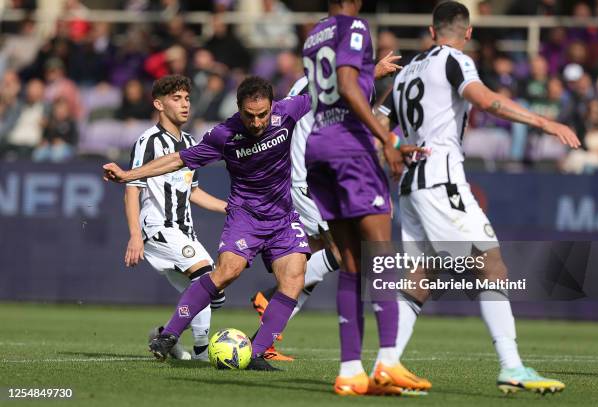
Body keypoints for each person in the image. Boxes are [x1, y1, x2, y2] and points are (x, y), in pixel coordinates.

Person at [377, 1, 579, 395]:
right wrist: (545, 121)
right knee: (492, 265)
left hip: (410, 186)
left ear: (432, 30)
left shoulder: (406, 73)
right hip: (442, 180)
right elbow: (487, 100)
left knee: (420, 277)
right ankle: (512, 365)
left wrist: (393, 147)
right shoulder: (455, 60)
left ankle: (386, 365)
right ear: (467, 33)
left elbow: (378, 122)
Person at [103, 76, 312, 371]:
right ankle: (170, 334)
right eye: (249, 115)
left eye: (262, 115)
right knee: (227, 271)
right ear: (238, 108)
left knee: (293, 280)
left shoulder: (288, 110)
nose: (256, 122)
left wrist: (370, 73)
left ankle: (256, 354)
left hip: (282, 216)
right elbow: (176, 160)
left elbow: (334, 90)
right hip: (246, 216)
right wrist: (128, 175)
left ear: (272, 107)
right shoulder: (224, 134)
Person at [302, 0, 430, 396]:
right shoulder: (354, 26)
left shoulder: (314, 33)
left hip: (318, 145)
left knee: (352, 265)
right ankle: (388, 362)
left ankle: (350, 372)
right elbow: (344, 84)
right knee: (382, 254)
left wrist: (368, 74)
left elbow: (331, 88)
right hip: (349, 149)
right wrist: (387, 139)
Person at [250, 51, 406, 362]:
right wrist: (373, 75)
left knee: (309, 266)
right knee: (347, 251)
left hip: (305, 178)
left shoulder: (309, 85)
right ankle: (269, 299)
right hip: (311, 181)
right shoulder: (318, 84)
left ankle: (264, 341)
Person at [123, 75, 227, 361]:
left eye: (187, 98)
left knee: (209, 293)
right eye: (176, 98)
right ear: (159, 104)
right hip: (158, 227)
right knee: (208, 278)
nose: (184, 104)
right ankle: (203, 355)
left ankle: (164, 334)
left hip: (184, 231)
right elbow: (132, 188)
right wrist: (134, 234)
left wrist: (228, 207)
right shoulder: (149, 141)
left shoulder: (192, 143)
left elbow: (193, 192)